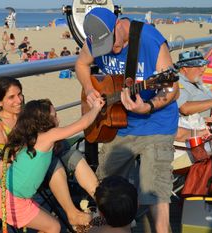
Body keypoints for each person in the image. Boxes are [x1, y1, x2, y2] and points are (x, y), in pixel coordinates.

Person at [75, 8, 179, 233]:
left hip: (157, 125)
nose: (112, 50)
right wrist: (89, 88)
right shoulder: (94, 40)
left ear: (117, 25)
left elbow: (172, 88)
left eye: (112, 42)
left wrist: (148, 106)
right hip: (118, 127)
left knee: (156, 202)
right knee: (107, 198)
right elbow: (81, 65)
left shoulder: (150, 39)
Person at [0, 78, 100, 227]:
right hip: (22, 173)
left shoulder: (27, 114)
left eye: (20, 94)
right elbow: (4, 153)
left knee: (74, 155)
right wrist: (96, 108)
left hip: (42, 159)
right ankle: (73, 213)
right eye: (11, 97)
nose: (19, 100)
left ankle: (102, 201)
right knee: (56, 164)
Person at [174, 50, 212, 147]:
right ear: (185, 68)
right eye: (198, 66)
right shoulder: (177, 83)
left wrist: (203, 118)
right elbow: (184, 108)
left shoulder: (197, 81)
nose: (203, 69)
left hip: (205, 124)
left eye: (203, 65)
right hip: (194, 134)